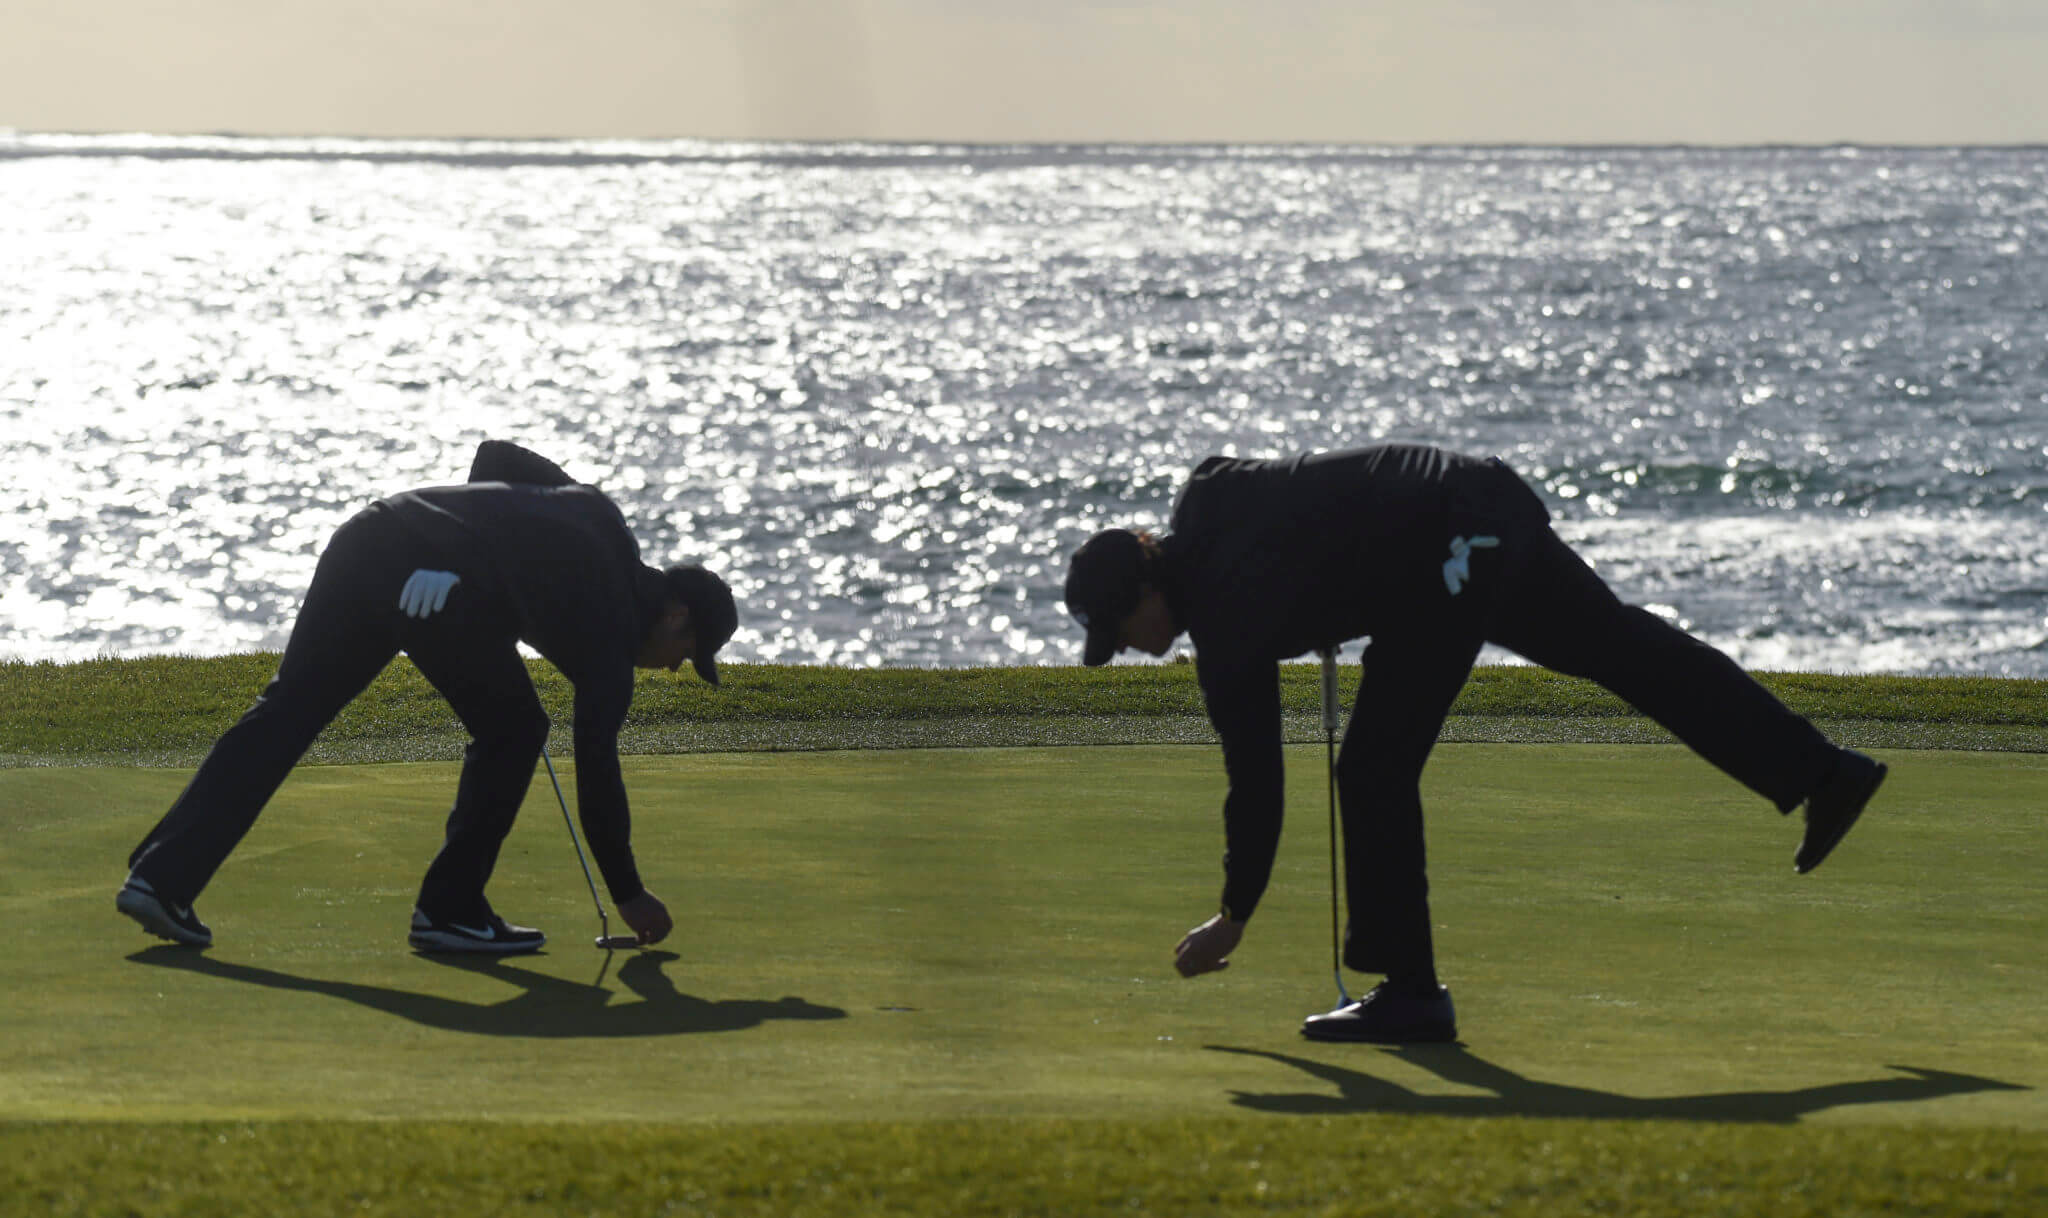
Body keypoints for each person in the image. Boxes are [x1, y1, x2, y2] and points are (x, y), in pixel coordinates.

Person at [1062, 443, 1887, 1044]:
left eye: (1121, 627)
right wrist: (1318, 583)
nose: (1130, 645)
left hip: (1453, 547)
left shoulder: (1229, 619)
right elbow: (1289, 510)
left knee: (1374, 766)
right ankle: (1824, 772)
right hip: (1487, 501)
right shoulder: (1206, 505)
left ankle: (1411, 994)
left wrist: (1234, 917)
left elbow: (1257, 781)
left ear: (1145, 589)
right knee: (1622, 649)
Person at [118, 440, 737, 955]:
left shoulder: (602, 517)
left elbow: (495, 462)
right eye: (687, 653)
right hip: (427, 579)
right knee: (516, 727)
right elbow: (597, 768)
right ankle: (449, 911)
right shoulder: (608, 641)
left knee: (290, 709)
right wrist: (628, 892)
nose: (676, 666)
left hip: (369, 536)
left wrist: (467, 553)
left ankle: (161, 877)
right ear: (676, 613)